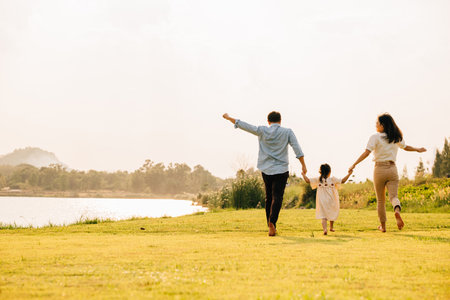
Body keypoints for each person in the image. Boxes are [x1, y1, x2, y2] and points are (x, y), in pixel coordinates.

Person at [223, 111, 307, 236]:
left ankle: (270, 224)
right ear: (280, 121)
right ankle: (272, 223)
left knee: (269, 198)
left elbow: (246, 126)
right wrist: (303, 165)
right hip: (281, 169)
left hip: (266, 169)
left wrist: (229, 118)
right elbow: (297, 148)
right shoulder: (287, 132)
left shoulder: (262, 130)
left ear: (268, 121)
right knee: (277, 197)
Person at [349, 113, 426, 232]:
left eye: (377, 123)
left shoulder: (375, 137)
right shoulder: (395, 137)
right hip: (392, 169)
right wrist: (417, 150)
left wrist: (354, 164)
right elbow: (406, 147)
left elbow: (366, 153)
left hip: (379, 169)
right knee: (394, 196)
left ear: (383, 125)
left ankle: (383, 227)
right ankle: (396, 211)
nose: (375, 125)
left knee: (380, 200)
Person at [301, 164, 353, 235]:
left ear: (320, 172)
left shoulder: (318, 179)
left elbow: (307, 180)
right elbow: (343, 181)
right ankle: (331, 227)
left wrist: (303, 174)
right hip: (331, 199)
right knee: (332, 212)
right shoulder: (332, 179)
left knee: (323, 216)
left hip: (322, 200)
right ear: (329, 172)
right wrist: (349, 174)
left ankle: (325, 229)